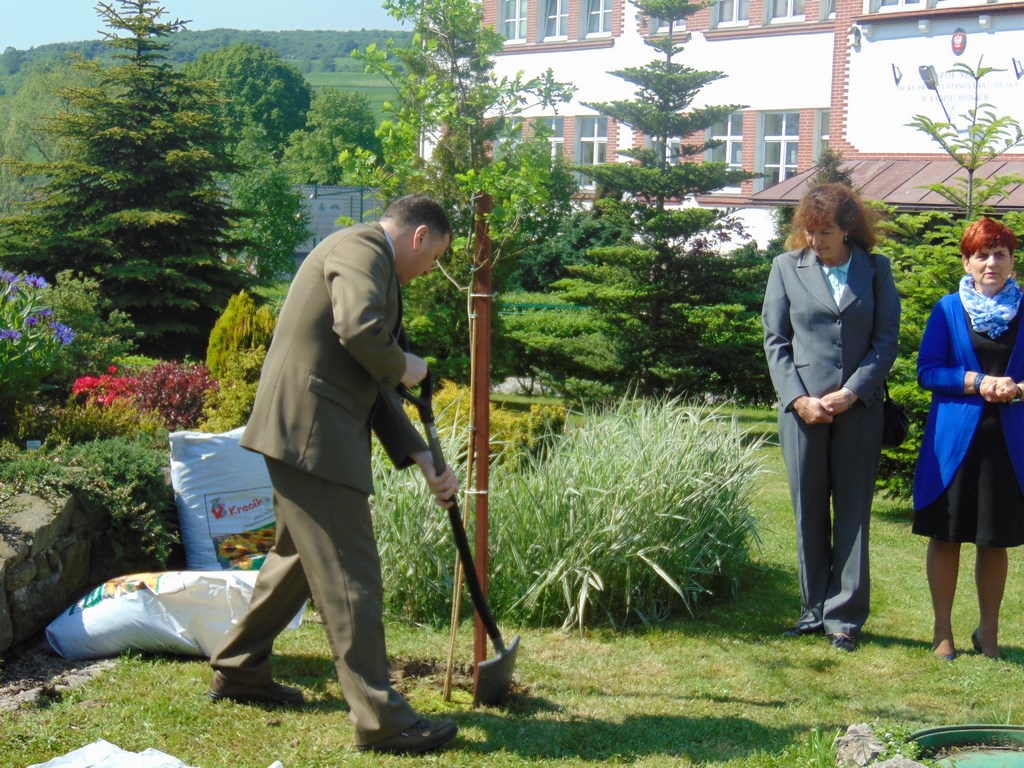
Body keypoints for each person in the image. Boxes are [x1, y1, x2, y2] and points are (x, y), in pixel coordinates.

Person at [207, 194, 461, 754]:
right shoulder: (361, 247)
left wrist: (421, 456)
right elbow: (359, 330)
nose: (428, 271)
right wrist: (406, 364)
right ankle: (381, 718)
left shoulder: (371, 261)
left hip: (305, 432)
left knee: (297, 560)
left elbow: (367, 375)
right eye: (434, 257)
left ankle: (240, 667)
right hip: (312, 436)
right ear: (419, 236)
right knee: (352, 576)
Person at [762, 183, 901, 652]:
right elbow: (775, 340)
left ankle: (844, 618)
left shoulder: (876, 269)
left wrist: (853, 391)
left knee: (853, 511)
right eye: (809, 231)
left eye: (824, 232)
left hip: (859, 411)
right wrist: (797, 399)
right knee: (808, 509)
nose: (815, 240)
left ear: (847, 228)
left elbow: (886, 340)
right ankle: (812, 610)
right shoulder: (785, 267)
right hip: (802, 413)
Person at [912, 217, 1024, 662]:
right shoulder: (946, 310)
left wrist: (1016, 389)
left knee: (994, 539)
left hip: (1008, 447)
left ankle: (988, 633)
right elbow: (928, 372)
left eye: (1000, 254)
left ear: (1012, 262)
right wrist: (977, 382)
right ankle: (942, 631)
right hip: (953, 445)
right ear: (967, 262)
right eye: (982, 255)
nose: (991, 263)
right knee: (947, 535)